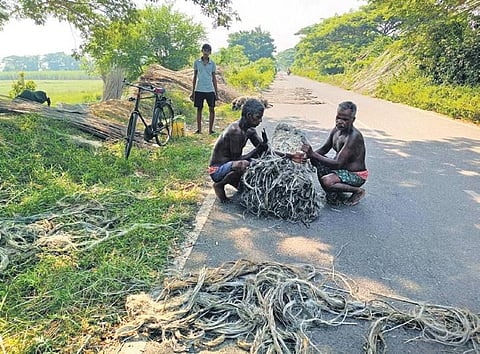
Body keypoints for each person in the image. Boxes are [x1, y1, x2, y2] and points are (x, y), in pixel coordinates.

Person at [209, 98, 305, 203]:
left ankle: (235, 183)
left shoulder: (250, 130)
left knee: (258, 164)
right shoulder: (235, 131)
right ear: (249, 115)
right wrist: (258, 150)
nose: (260, 121)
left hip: (230, 165)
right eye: (258, 117)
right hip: (217, 170)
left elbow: (266, 150)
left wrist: (290, 156)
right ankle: (219, 185)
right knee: (244, 164)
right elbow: (237, 160)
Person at [301, 101, 368, 206]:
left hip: (355, 175)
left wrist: (313, 154)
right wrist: (306, 156)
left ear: (353, 120)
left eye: (345, 119)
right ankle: (332, 192)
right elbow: (324, 149)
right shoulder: (336, 131)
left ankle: (357, 191)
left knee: (327, 181)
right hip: (341, 170)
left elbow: (338, 163)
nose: (340, 122)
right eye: (338, 118)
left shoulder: (354, 137)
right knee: (315, 159)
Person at [190, 43, 218, 135]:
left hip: (210, 89)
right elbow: (195, 77)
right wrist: (192, 92)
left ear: (210, 52)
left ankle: (211, 130)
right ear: (202, 51)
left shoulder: (212, 63)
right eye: (204, 50)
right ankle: (199, 130)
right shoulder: (197, 62)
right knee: (199, 109)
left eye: (208, 51)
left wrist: (216, 93)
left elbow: (214, 78)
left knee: (211, 109)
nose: (206, 52)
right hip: (199, 89)